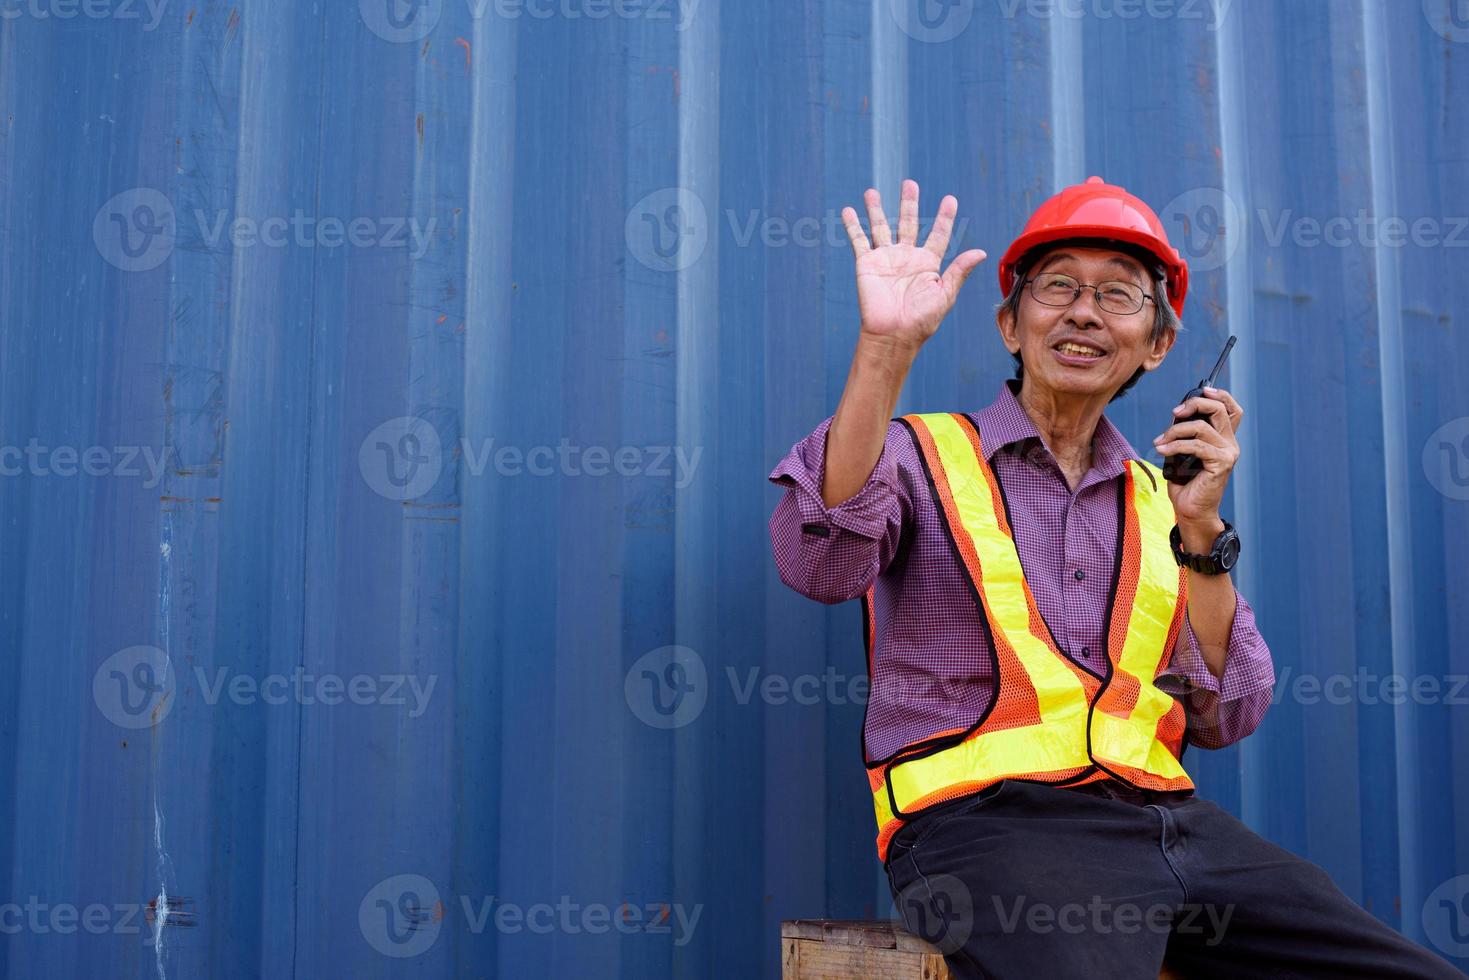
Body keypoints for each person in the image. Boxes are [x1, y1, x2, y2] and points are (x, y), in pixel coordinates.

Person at [766, 177, 1461, 978]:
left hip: (1173, 830)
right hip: (979, 827)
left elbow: (1225, 712)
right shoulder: (913, 453)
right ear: (1009, 324)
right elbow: (819, 563)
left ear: (1157, 345)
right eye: (1057, 285)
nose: (1084, 311)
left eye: (1119, 295)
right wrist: (886, 349)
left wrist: (1201, 529)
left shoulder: (1163, 500)